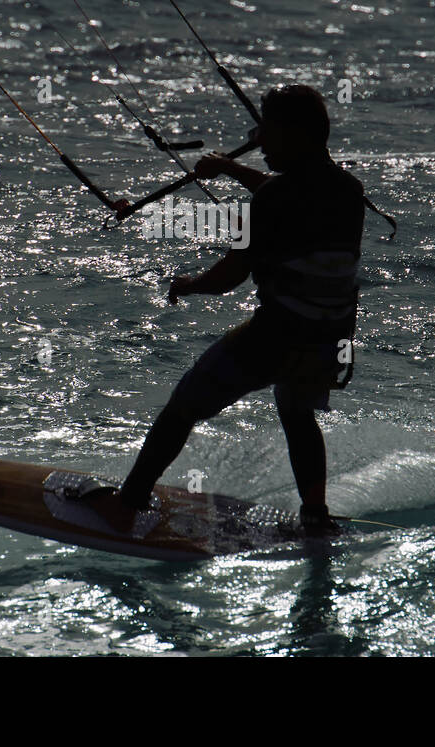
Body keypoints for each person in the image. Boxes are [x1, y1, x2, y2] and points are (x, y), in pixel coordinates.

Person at [84, 84, 366, 533]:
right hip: (327, 339)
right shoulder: (350, 191)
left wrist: (189, 285)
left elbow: (229, 278)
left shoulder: (272, 201)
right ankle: (316, 515)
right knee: (296, 411)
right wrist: (231, 169)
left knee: (182, 408)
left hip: (275, 336)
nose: (257, 140)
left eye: (266, 132)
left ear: (295, 135)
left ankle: (127, 504)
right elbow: (297, 192)